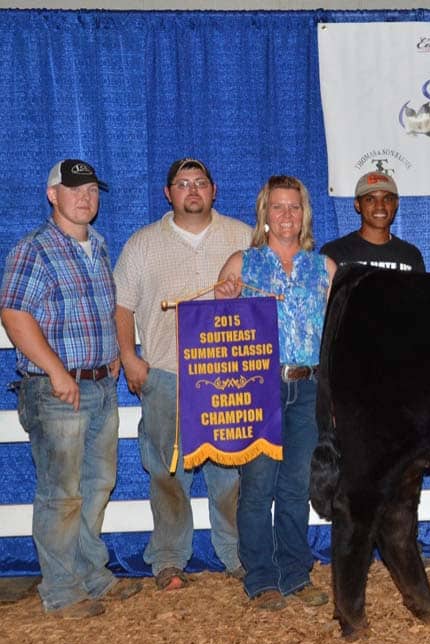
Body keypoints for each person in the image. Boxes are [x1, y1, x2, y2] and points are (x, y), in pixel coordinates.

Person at [0, 159, 142, 618]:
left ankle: (92, 574)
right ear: (52, 195)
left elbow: (102, 313)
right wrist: (58, 372)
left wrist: (115, 355)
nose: (85, 197)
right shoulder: (33, 250)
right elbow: (15, 315)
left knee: (97, 485)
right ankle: (61, 589)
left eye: (92, 190)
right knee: (61, 493)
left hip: (100, 383)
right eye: (74, 188)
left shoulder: (98, 246)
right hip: (57, 390)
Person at [113, 158, 252, 591]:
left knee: (230, 471)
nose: (192, 190)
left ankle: (239, 554)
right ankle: (169, 559)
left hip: (228, 374)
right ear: (168, 193)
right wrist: (129, 357)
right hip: (167, 374)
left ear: (214, 190)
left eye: (201, 183)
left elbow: (265, 299)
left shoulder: (243, 236)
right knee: (167, 472)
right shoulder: (142, 244)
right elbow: (122, 306)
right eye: (183, 184)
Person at [217, 175, 336, 610]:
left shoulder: (323, 268)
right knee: (258, 485)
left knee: (296, 487)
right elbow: (218, 336)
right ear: (264, 214)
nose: (286, 215)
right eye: (278, 207)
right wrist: (223, 297)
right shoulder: (241, 264)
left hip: (308, 386)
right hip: (257, 388)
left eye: (295, 207)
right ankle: (261, 577)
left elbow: (336, 332)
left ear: (304, 214)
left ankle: (295, 572)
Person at [320, 171, 425, 272]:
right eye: (370, 199)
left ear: (396, 203)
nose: (380, 206)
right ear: (357, 204)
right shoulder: (335, 253)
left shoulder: (411, 256)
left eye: (387, 199)